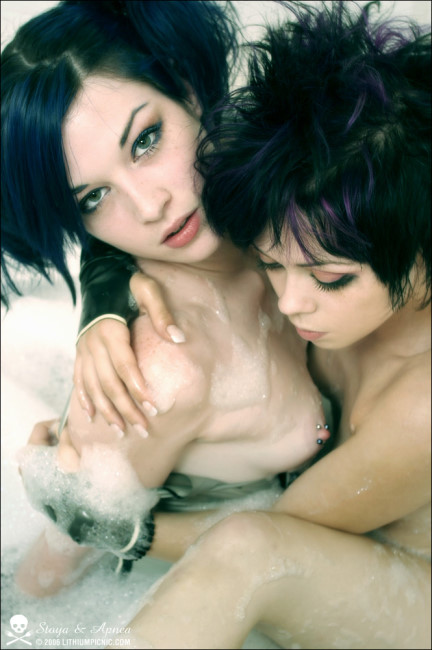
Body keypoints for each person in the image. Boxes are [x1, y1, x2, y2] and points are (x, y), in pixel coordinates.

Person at [104, 1, 429, 647]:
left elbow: (277, 527)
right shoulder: (302, 227)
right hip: (324, 541)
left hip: (413, 593)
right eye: (271, 266)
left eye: (330, 279)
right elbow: (135, 234)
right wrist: (103, 313)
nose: (290, 302)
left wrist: (115, 528)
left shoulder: (422, 407)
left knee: (246, 552)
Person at [1, 0, 329, 598]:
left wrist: (100, 293)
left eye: (146, 141)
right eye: (93, 198)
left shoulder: (283, 202)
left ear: (186, 88)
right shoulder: (154, 373)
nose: (150, 206)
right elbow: (47, 578)